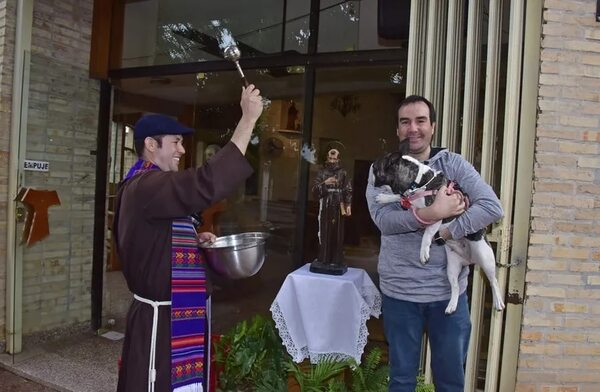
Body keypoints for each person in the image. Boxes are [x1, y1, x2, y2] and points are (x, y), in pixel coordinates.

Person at [115, 85, 263, 392]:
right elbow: (206, 183)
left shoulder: (146, 186)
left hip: (175, 315)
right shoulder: (147, 185)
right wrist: (247, 120)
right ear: (151, 145)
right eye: (176, 142)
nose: (182, 150)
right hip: (161, 325)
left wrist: (193, 238)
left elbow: (159, 234)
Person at [366, 95, 503, 391]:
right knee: (401, 381)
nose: (413, 128)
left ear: (433, 126)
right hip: (400, 293)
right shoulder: (384, 169)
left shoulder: (452, 165)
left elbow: (492, 208)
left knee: (450, 382)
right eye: (405, 122)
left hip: (447, 297)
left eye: (420, 121)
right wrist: (430, 214)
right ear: (397, 130)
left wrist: (448, 230)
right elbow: (384, 221)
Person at [310, 148, 352, 274]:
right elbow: (314, 191)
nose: (332, 161)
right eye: (330, 158)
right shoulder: (322, 172)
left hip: (339, 204)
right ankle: (324, 258)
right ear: (327, 159)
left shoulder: (343, 172)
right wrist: (325, 183)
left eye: (335, 159)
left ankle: (336, 259)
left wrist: (348, 204)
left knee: (337, 232)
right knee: (324, 231)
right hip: (326, 204)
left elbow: (347, 189)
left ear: (338, 159)